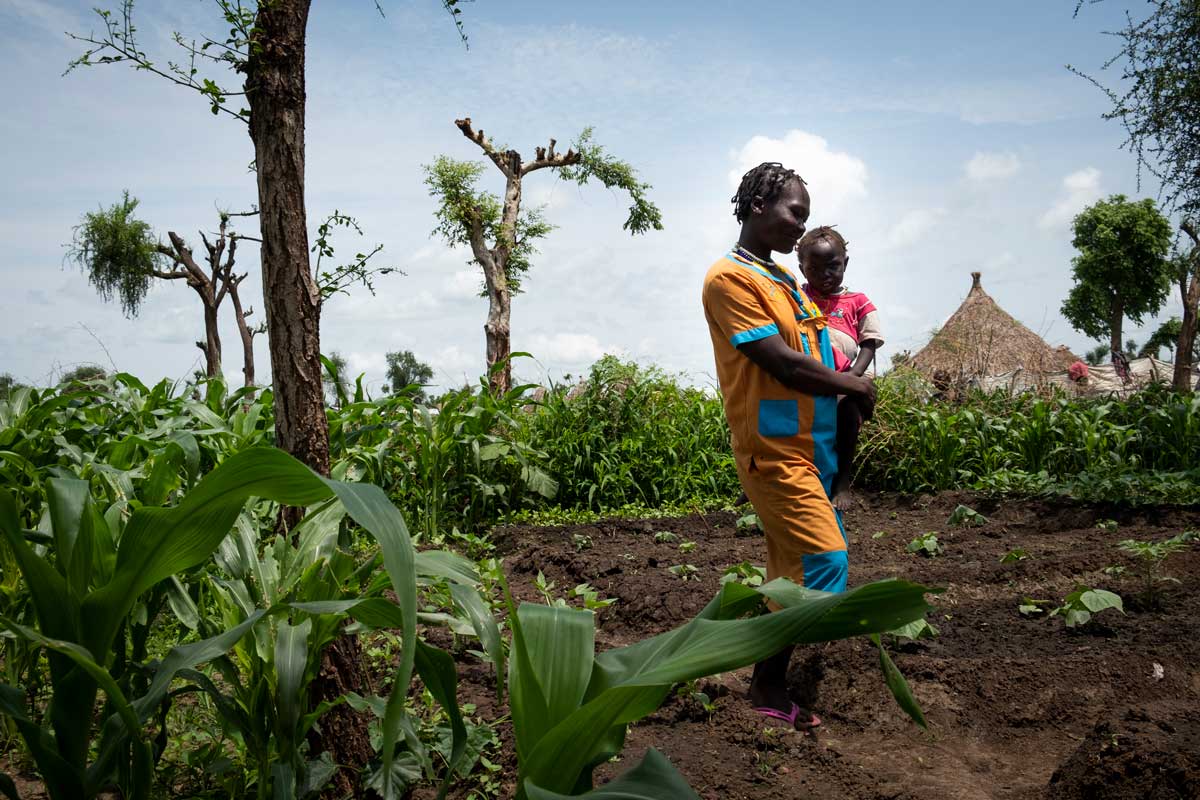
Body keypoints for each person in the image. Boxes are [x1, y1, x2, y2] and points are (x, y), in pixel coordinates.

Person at [701, 162, 876, 730]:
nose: (800, 226)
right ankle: (767, 679)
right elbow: (778, 360)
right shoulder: (731, 280)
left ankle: (767, 682)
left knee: (791, 576)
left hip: (811, 448)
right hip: (774, 451)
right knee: (827, 561)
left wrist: (846, 396)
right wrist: (851, 383)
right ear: (758, 206)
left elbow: (819, 354)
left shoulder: (781, 282)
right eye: (794, 213)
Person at [796, 226, 884, 510]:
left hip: (848, 377)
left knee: (846, 417)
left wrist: (851, 378)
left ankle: (842, 483)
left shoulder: (858, 301)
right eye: (815, 268)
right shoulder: (797, 297)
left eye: (833, 266)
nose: (825, 274)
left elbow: (869, 343)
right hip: (810, 378)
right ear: (802, 268)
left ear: (845, 263)